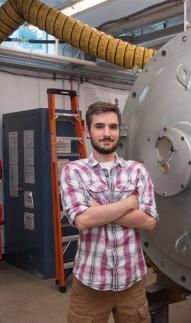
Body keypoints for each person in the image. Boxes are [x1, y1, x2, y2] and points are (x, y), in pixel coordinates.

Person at [60, 101, 158, 323]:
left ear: (119, 131)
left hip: (132, 282)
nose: (107, 133)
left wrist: (98, 208)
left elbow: (150, 221)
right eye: (99, 126)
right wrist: (129, 202)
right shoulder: (74, 171)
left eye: (113, 127)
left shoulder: (137, 171)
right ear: (87, 131)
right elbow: (83, 220)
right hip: (90, 284)